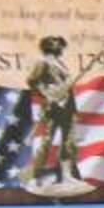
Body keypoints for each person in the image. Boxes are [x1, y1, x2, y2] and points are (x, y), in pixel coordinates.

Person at [24, 35, 78, 187]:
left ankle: (66, 176)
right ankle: (35, 177)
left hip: (67, 106)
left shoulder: (60, 63)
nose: (60, 46)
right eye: (56, 43)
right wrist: (48, 93)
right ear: (47, 45)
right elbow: (31, 81)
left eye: (60, 44)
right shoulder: (42, 62)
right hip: (52, 106)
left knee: (68, 142)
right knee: (46, 142)